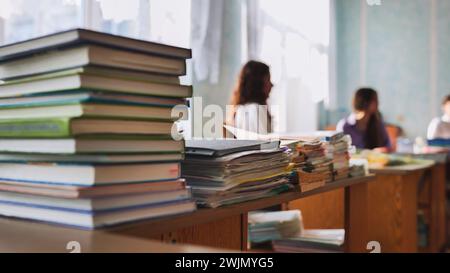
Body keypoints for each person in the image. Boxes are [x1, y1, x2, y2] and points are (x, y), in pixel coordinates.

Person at [226, 61, 274, 137]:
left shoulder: (239, 109)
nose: (272, 85)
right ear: (258, 83)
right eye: (268, 80)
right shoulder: (255, 110)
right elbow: (266, 144)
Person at [337, 88, 392, 152]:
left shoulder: (378, 123)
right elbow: (339, 151)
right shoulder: (345, 125)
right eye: (375, 100)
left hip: (374, 160)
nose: (378, 103)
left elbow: (387, 146)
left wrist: (383, 149)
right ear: (366, 102)